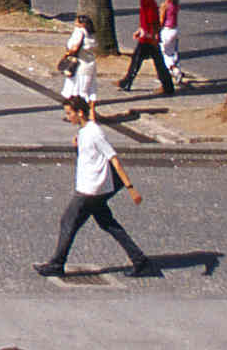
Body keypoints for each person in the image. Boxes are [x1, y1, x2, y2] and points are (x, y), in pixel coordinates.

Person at [35, 94, 152, 277]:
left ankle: (57, 264)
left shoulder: (94, 133)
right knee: (107, 223)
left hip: (91, 190)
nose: (68, 117)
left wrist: (131, 188)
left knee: (68, 221)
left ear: (80, 113)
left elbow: (113, 158)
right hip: (94, 188)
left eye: (69, 113)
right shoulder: (84, 132)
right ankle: (140, 260)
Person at [119, 0, 176, 94]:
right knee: (156, 61)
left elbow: (151, 19)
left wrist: (152, 34)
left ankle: (127, 82)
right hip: (148, 35)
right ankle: (167, 85)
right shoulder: (148, 0)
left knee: (138, 59)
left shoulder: (146, 1)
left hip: (148, 37)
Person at [60, 12, 99, 109]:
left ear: (82, 23)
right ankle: (90, 113)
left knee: (75, 88)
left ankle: (76, 111)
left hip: (78, 64)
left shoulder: (79, 31)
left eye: (77, 21)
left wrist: (66, 54)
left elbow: (75, 47)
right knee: (88, 89)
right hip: (90, 64)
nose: (75, 23)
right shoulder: (91, 34)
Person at [159, 0, 184, 85]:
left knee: (165, 53)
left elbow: (161, 20)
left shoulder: (164, 5)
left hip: (166, 30)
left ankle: (174, 71)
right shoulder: (175, 3)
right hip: (175, 29)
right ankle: (174, 70)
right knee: (173, 52)